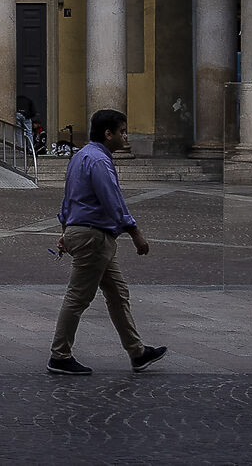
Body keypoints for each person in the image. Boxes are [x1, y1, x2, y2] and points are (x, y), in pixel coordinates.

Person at [48, 108, 166, 376]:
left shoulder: (79, 157)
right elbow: (112, 200)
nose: (125, 136)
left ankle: (137, 352)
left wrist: (65, 229)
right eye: (122, 131)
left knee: (117, 294)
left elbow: (69, 198)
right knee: (78, 297)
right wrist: (135, 232)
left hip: (87, 233)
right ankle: (59, 355)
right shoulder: (99, 161)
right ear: (108, 133)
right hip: (94, 236)